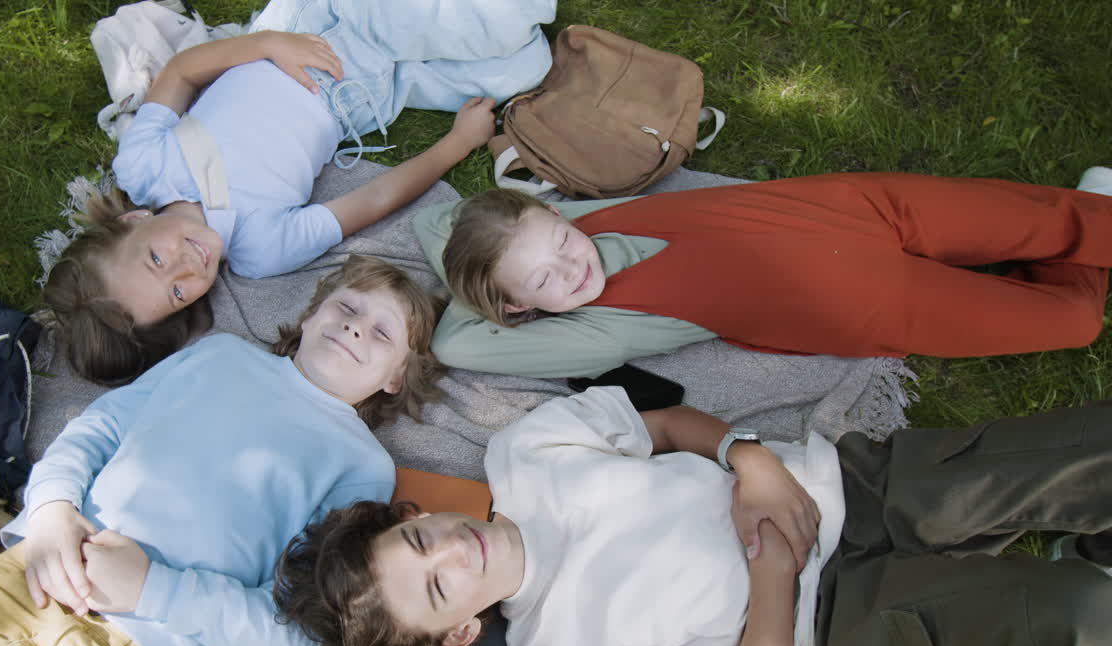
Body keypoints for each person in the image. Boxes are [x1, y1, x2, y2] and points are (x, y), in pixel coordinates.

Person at [0, 256, 445, 646]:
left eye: (384, 335)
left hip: (133, 644)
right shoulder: (221, 355)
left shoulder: (362, 466)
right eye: (347, 307)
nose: (356, 328)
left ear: (397, 379)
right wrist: (48, 510)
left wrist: (153, 590)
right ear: (311, 313)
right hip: (29, 570)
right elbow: (98, 427)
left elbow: (298, 621)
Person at [275, 386, 1112, 646]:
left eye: (419, 537)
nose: (451, 552)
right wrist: (774, 576)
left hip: (843, 487)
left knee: (1082, 449)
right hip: (836, 621)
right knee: (1082, 619)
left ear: (417, 515)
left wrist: (746, 459)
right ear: (459, 636)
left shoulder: (524, 454)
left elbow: (666, 425)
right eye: (434, 588)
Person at [45, 0, 556, 384]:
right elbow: (372, 200)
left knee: (505, 19)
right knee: (527, 64)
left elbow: (181, 72)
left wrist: (265, 46)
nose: (186, 266)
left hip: (310, 34)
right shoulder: (260, 248)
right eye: (177, 292)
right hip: (362, 98)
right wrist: (455, 145)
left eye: (156, 257)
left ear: (132, 223)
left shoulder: (143, 166)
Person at [414, 167, 1112, 378]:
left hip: (855, 207)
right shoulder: (599, 327)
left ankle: (1074, 228)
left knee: (1055, 218)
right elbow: (453, 344)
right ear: (514, 311)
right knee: (1075, 322)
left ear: (556, 210)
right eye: (541, 282)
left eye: (562, 239)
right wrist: (486, 287)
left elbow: (432, 222)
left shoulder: (587, 221)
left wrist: (514, 246)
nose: (572, 267)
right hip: (879, 304)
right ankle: (1067, 249)